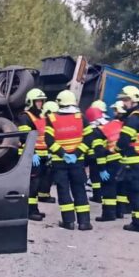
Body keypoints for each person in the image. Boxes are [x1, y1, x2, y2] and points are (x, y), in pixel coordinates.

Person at [45, 91, 92, 231]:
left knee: (63, 191)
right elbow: (89, 139)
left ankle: (69, 222)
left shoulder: (52, 118)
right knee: (79, 190)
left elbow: (49, 141)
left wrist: (63, 153)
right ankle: (84, 223)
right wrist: (76, 154)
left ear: (59, 102)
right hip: (77, 163)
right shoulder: (81, 117)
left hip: (60, 162)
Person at [115, 86, 139, 232]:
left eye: (126, 100)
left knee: (135, 193)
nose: (124, 103)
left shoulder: (134, 118)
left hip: (134, 162)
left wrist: (117, 149)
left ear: (134, 100)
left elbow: (124, 140)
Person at [16, 88, 49, 221]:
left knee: (37, 184)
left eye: (42, 101)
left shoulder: (40, 117)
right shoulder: (25, 116)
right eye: (38, 101)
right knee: (32, 184)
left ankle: (34, 209)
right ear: (31, 102)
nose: (41, 103)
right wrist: (33, 153)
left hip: (41, 156)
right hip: (30, 156)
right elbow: (25, 137)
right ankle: (28, 212)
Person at [95, 101, 126, 221]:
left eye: (115, 110)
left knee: (109, 188)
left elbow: (100, 149)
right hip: (126, 162)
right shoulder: (129, 125)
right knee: (121, 188)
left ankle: (108, 214)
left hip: (112, 161)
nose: (113, 112)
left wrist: (102, 168)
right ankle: (120, 212)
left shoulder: (108, 126)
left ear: (118, 112)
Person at [37, 100, 60, 204]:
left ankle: (42, 194)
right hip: (44, 153)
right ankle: (43, 195)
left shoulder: (39, 120)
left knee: (42, 175)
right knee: (46, 175)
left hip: (40, 153)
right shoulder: (48, 123)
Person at [85, 101, 108, 203]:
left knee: (95, 178)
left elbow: (98, 148)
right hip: (103, 156)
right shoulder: (105, 126)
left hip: (96, 156)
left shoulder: (94, 130)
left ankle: (97, 196)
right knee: (96, 178)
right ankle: (98, 195)